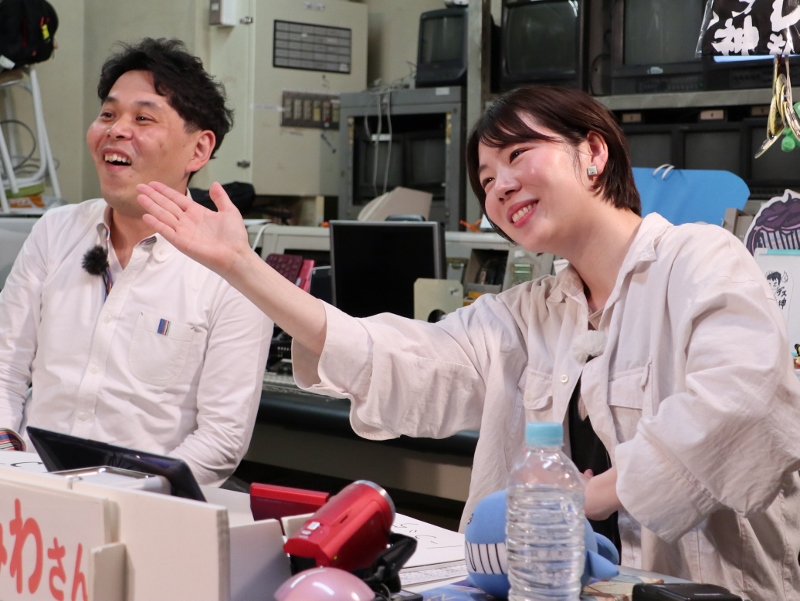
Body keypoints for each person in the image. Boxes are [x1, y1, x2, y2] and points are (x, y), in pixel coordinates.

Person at [135, 85, 800, 599]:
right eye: (486, 178)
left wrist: (596, 493)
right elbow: (404, 360)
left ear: (594, 153)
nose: (500, 185)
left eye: (518, 155)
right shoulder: (531, 312)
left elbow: (742, 399)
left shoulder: (697, 258)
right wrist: (243, 267)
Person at [0, 38, 272, 486]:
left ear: (198, 150)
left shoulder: (234, 272)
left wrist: (130, 494)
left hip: (145, 504)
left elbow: (221, 438)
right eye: (108, 114)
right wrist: (10, 461)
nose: (116, 130)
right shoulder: (55, 231)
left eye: (143, 118)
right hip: (29, 494)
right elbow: (6, 368)